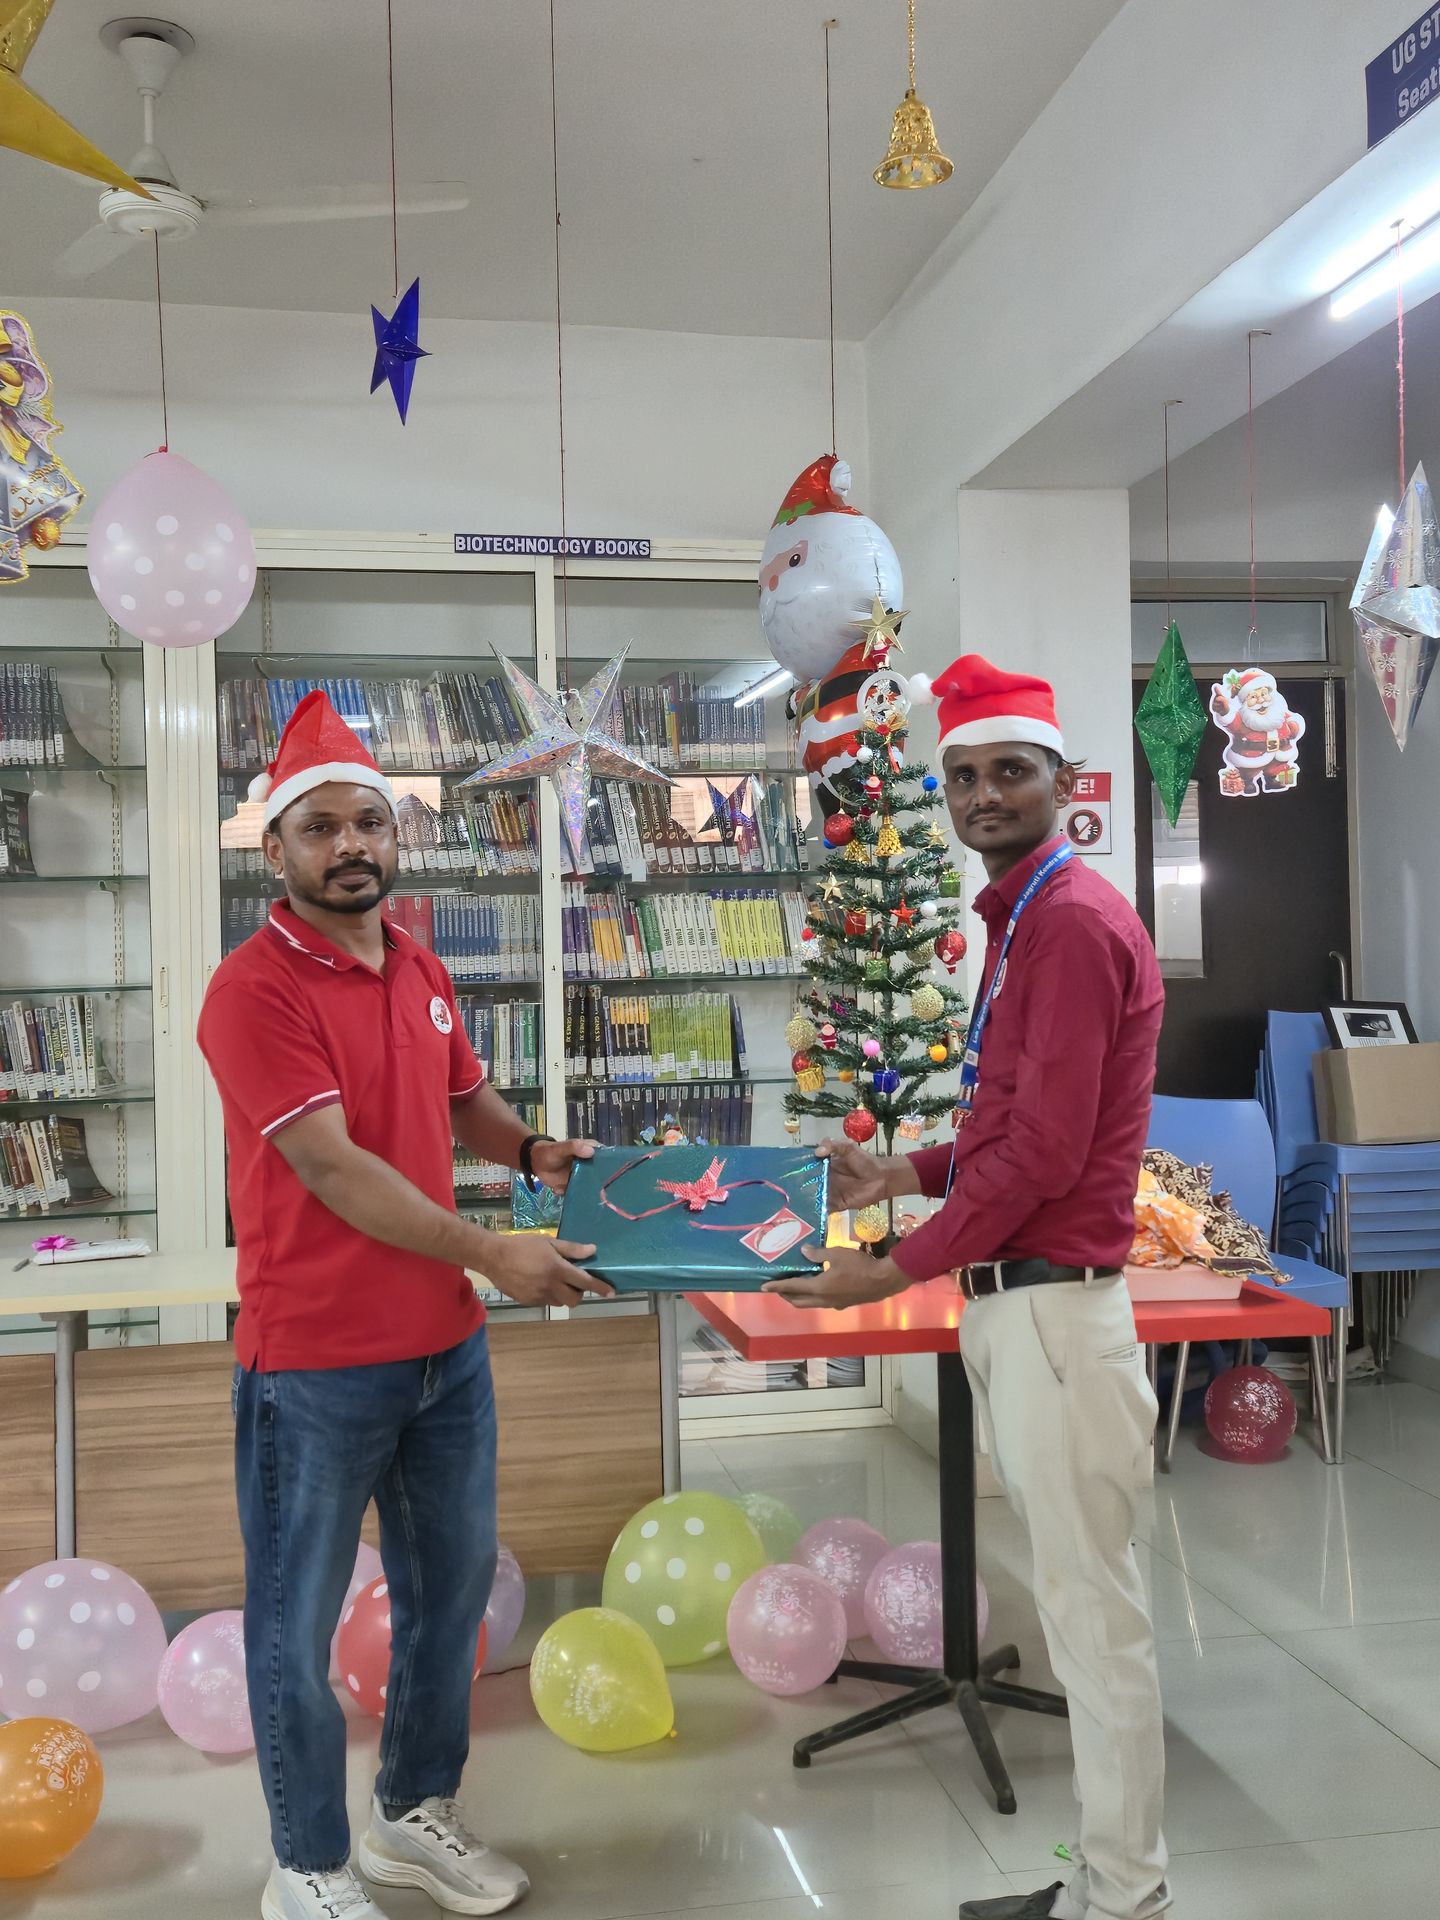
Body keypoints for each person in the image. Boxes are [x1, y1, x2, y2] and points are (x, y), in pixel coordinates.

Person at [767, 655, 1169, 1920]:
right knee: (1084, 1607)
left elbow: (1043, 1156)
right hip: (1024, 1310)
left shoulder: (1071, 924)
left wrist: (890, 1269)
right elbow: (1009, 1125)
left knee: (1095, 1623)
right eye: (962, 777)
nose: (983, 794)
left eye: (1011, 771)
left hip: (1055, 1315)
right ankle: (1107, 1881)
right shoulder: (1023, 917)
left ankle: (1127, 1896)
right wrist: (902, 1170)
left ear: (1064, 781)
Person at [198, 690, 611, 1920]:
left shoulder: (421, 963)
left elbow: (460, 1098)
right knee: (295, 1628)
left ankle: (410, 1815)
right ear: (275, 850)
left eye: (368, 823)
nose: (350, 847)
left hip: (446, 1359)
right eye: (319, 828)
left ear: (396, 833)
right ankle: (306, 1866)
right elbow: (332, 1167)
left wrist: (532, 1151)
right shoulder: (252, 990)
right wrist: (491, 1249)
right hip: (314, 1368)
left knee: (448, 1602)